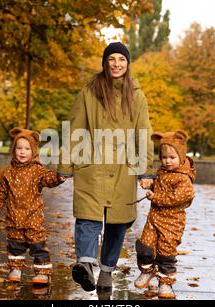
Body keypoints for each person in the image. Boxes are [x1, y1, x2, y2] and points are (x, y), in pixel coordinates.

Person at [57, 42, 154, 293]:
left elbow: (142, 133)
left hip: (123, 169)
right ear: (105, 62)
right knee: (87, 218)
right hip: (92, 165)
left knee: (117, 223)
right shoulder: (89, 92)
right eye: (111, 59)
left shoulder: (137, 95)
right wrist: (66, 164)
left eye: (121, 59)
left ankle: (106, 271)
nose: (116, 64)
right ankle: (86, 264)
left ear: (127, 64)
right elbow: (76, 129)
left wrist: (144, 170)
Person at [0, 127, 66, 284]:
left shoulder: (37, 171)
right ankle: (15, 269)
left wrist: (58, 177)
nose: (22, 152)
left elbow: (48, 178)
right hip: (13, 218)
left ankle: (42, 272)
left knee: (37, 246)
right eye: (19, 148)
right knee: (15, 246)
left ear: (33, 151)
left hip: (33, 219)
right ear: (14, 150)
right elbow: (0, 192)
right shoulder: (7, 173)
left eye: (26, 149)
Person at [134, 130, 196, 299]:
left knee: (166, 254)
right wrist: (152, 185)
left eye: (172, 158)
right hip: (154, 218)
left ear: (181, 157)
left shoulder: (183, 178)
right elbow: (161, 188)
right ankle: (148, 269)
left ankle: (165, 283)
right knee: (144, 248)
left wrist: (157, 197)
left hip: (172, 222)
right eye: (164, 158)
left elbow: (180, 197)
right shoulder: (162, 172)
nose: (167, 161)